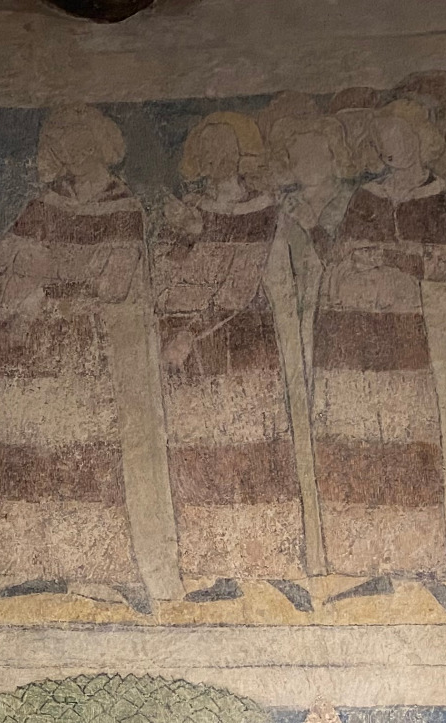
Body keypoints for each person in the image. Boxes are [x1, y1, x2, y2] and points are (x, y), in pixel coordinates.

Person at [0, 105, 175, 606]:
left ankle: (94, 572)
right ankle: (24, 566)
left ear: (99, 144)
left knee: (85, 456)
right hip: (27, 353)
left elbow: (115, 282)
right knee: (25, 460)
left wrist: (44, 273)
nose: (69, 152)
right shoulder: (43, 203)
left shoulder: (123, 207)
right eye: (62, 143)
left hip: (82, 352)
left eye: (78, 141)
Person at [156, 112, 311, 602]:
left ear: (240, 154)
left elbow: (240, 285)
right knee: (204, 458)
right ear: (198, 160)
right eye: (209, 151)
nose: (218, 158)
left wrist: (190, 332)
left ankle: (276, 565)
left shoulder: (261, 209)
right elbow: (166, 280)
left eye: (226, 148)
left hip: (242, 345)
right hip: (190, 356)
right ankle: (219, 570)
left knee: (257, 453)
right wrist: (185, 236)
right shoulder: (189, 211)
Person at [310, 102, 446, 588]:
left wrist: (390, 257)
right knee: (357, 441)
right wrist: (334, 243)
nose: (391, 149)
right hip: (354, 331)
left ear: (419, 139)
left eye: (400, 138)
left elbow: (444, 265)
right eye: (384, 142)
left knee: (409, 441)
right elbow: (340, 253)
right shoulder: (367, 194)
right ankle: (363, 561)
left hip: (405, 333)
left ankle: (419, 560)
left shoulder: (437, 195)